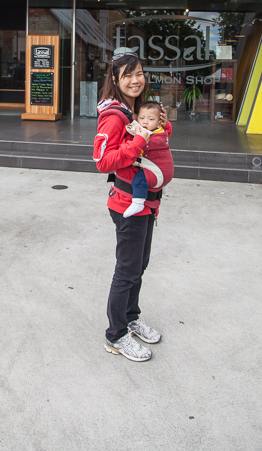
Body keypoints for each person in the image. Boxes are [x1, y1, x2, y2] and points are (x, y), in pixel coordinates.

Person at [93, 47, 170, 362]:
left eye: (139, 73)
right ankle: (116, 334)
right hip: (127, 204)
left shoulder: (140, 110)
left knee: (140, 265)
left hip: (147, 203)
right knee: (127, 270)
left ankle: (131, 316)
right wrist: (140, 140)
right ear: (115, 78)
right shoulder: (115, 117)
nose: (136, 80)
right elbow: (102, 161)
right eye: (128, 75)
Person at [122, 100, 174, 218]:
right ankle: (163, 186)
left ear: (159, 122)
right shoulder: (161, 131)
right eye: (142, 118)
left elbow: (137, 150)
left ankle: (138, 202)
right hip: (166, 171)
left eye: (151, 119)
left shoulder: (151, 135)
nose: (145, 122)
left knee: (139, 180)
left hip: (158, 172)